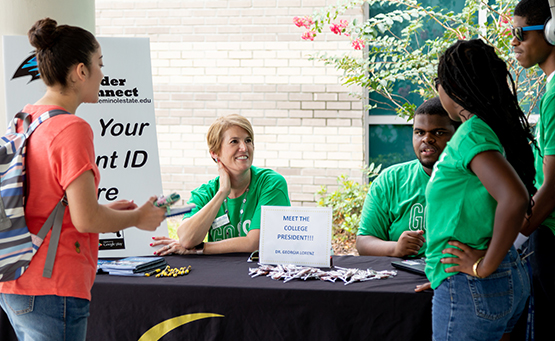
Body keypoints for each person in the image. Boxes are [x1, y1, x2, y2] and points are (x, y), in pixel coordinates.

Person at [0, 18, 166, 341]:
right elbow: (86, 218)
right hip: (54, 284)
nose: (103, 75)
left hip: (15, 280)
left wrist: (108, 210)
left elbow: (45, 203)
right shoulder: (72, 128)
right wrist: (138, 218)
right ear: (80, 72)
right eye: (99, 65)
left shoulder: (24, 118)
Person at [425, 39, 535, 341]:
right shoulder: (491, 127)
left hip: (474, 284)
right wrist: (441, 273)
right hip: (492, 278)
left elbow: (514, 199)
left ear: (454, 88)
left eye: (438, 82)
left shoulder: (472, 134)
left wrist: (481, 267)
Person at [152, 114, 290, 255]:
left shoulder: (271, 183)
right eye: (234, 141)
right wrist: (222, 192)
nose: (244, 147)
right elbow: (187, 239)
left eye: (248, 140)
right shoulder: (205, 192)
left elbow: (255, 243)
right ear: (215, 153)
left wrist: (201, 248)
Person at [356, 97, 458, 257]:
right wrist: (395, 248)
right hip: (402, 276)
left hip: (454, 275)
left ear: (457, 135)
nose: (426, 139)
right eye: (419, 132)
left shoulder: (474, 180)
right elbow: (363, 242)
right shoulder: (390, 180)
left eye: (438, 132)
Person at [512, 0, 555, 337]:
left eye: (519, 33)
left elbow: (553, 187)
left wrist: (512, 240)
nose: (513, 42)